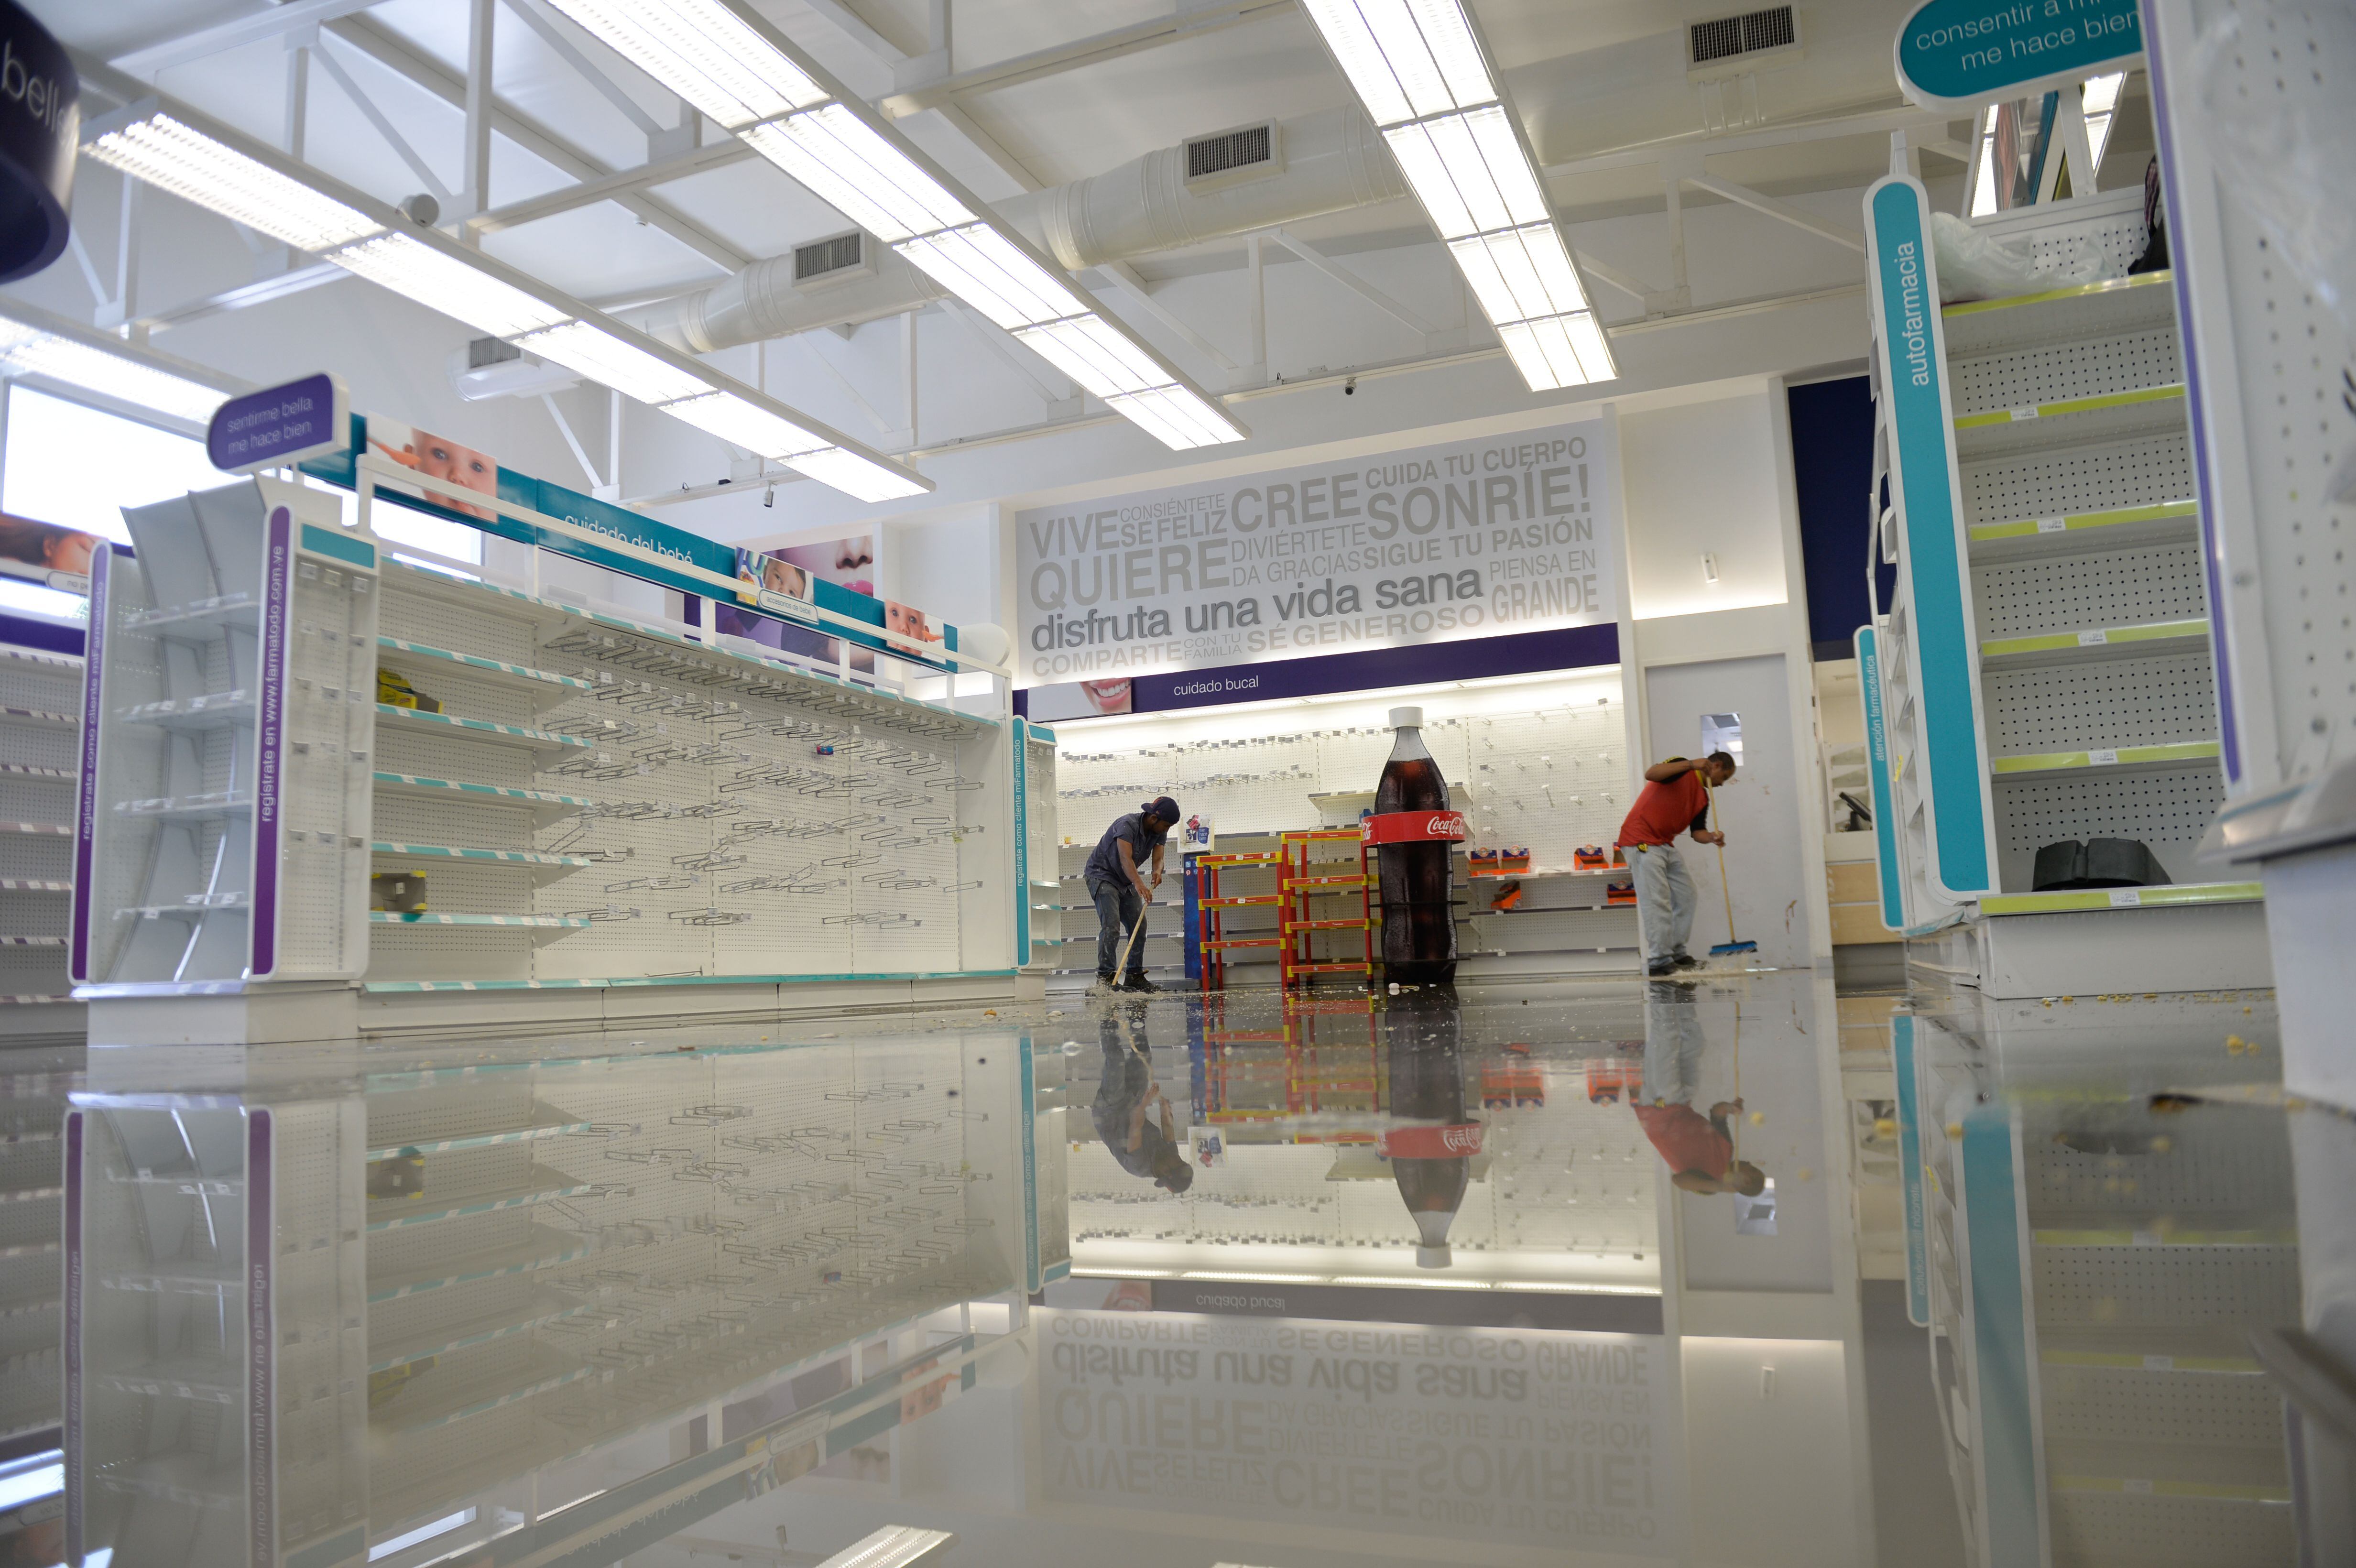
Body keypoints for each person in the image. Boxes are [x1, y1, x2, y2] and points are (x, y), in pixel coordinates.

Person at [1636, 981, 1767, 1196]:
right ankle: (1682, 993)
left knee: (1666, 1041)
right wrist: (1730, 1108)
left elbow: (1679, 1180)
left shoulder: (1710, 1184)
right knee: (1695, 1043)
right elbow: (1717, 1113)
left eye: (1751, 1172)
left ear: (1743, 1183)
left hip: (1658, 1108)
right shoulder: (1727, 1150)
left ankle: (1660, 989)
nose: (1750, 1164)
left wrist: (1719, 1186)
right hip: (1681, 1103)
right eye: (1754, 1168)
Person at [1615, 751, 1735, 976]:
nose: (1722, 784)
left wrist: (1711, 837)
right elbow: (1652, 773)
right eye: (1725, 777)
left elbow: (1697, 832)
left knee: (1687, 895)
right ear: (1716, 765)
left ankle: (1677, 954)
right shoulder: (1681, 767)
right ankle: (1659, 960)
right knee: (1656, 900)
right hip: (1640, 840)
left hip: (1663, 844)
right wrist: (1691, 765)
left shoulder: (1702, 798)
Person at [1090, 1002, 1194, 1193]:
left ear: (1167, 1172)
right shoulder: (1171, 1156)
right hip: (1133, 1104)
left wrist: (1146, 1101)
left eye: (1179, 1162)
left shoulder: (1139, 1165)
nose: (1179, 1157)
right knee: (1144, 1055)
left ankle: (1106, 1012)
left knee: (1116, 1061)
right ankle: (1135, 1011)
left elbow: (1135, 1125)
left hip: (1110, 1112)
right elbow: (1168, 1127)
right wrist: (1165, 1110)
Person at [1083, 794, 1178, 995]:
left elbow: (1159, 858)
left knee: (1139, 925)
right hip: (1102, 876)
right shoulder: (1127, 824)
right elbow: (1125, 858)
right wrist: (1138, 882)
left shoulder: (1159, 831)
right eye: (1167, 826)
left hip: (1125, 880)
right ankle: (1105, 979)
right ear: (1154, 819)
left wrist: (1157, 871)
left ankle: (1134, 976)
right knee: (1111, 926)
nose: (1167, 830)